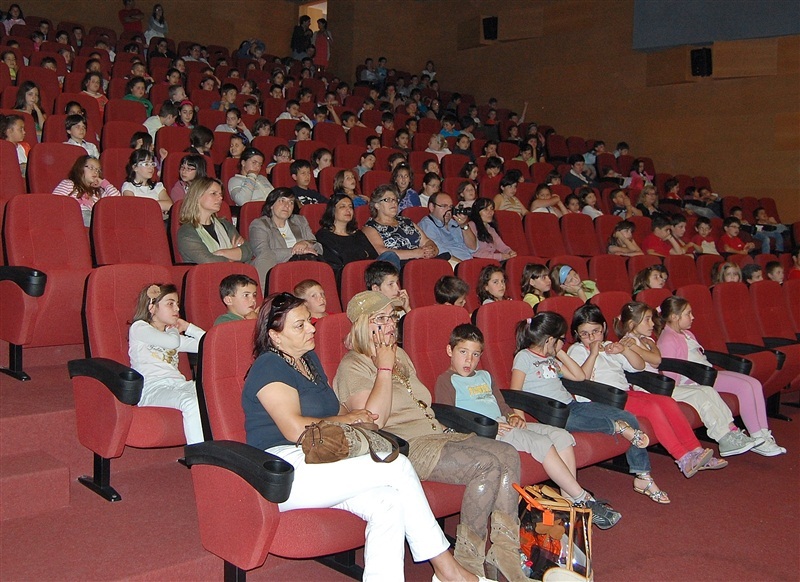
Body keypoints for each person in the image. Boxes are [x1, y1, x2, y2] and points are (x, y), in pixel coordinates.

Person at [244, 293, 488, 582]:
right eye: (300, 326)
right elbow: (295, 429)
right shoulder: (269, 366)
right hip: (282, 468)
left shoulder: (308, 361)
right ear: (275, 336)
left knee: (389, 502)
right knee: (395, 466)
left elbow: (335, 409)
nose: (312, 328)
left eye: (309, 321)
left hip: (322, 456)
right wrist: (344, 419)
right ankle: (448, 571)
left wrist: (353, 412)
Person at [333, 291, 526, 581]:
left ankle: (504, 552)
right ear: (362, 325)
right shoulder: (353, 366)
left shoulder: (400, 355)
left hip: (436, 433)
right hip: (405, 447)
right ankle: (466, 563)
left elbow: (423, 402)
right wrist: (383, 367)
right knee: (486, 465)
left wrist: (391, 359)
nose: (390, 325)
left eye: (392, 318)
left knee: (508, 454)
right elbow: (373, 420)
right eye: (381, 319)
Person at [436, 324, 622, 521]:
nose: (469, 360)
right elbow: (450, 417)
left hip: (503, 424)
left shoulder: (485, 376)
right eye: (463, 352)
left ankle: (569, 503)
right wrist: (491, 427)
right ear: (450, 350)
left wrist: (512, 416)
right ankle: (583, 499)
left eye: (475, 354)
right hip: (486, 432)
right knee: (541, 443)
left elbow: (501, 404)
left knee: (561, 436)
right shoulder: (446, 380)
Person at [509, 312, 677, 503]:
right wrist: (519, 417)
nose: (564, 343)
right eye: (561, 340)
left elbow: (579, 376)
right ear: (550, 339)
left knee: (627, 416)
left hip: (572, 405)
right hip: (553, 413)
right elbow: (516, 392)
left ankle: (643, 476)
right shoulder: (523, 357)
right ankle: (617, 427)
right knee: (577, 420)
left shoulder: (552, 359)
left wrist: (559, 352)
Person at [568, 305, 724, 485]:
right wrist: (593, 354)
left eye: (595, 331)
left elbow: (638, 366)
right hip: (604, 399)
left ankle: (695, 450)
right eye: (584, 334)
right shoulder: (577, 351)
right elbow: (581, 378)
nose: (591, 338)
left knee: (667, 402)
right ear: (577, 334)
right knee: (652, 408)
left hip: (624, 393)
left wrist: (624, 350)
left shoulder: (609, 347)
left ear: (603, 328)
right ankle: (683, 458)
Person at [619, 301, 775, 458]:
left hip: (661, 385)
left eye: (651, 319)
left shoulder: (647, 340)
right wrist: (638, 348)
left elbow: (655, 360)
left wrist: (646, 346)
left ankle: (731, 430)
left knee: (708, 390)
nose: (652, 323)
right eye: (647, 319)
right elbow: (649, 363)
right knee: (699, 395)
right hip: (652, 388)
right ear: (633, 324)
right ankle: (723, 437)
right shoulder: (627, 342)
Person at [657, 296, 785, 456]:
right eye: (688, 314)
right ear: (675, 317)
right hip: (698, 380)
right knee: (745, 388)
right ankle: (757, 436)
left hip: (708, 373)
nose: (693, 317)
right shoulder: (668, 340)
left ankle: (764, 435)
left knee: (754, 383)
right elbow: (672, 371)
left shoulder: (686, 333)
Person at [129, 282, 203, 444]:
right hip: (152, 389)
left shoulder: (173, 337)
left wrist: (189, 327)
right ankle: (200, 456)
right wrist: (174, 329)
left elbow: (209, 344)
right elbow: (170, 343)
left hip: (179, 385)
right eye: (170, 304)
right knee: (190, 402)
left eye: (177, 304)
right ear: (152, 307)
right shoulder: (139, 328)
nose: (177, 309)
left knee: (213, 392)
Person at [249, 188, 322, 283]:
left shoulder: (300, 221)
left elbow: (318, 247)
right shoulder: (260, 224)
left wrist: (305, 242)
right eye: (282, 201)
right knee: (264, 259)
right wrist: (296, 251)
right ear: (271, 205)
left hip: (303, 265)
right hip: (275, 268)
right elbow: (263, 253)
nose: (287, 205)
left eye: (291, 202)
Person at [177, 177, 253, 265]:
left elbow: (248, 251)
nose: (220, 197)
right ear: (197, 196)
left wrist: (222, 253)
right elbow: (209, 261)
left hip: (234, 275)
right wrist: (234, 254)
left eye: (220, 194)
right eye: (214, 193)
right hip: (208, 277)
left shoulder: (225, 225)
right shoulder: (187, 231)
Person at [362, 185, 439, 263]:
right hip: (396, 267)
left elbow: (426, 241)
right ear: (377, 205)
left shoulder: (406, 221)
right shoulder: (370, 227)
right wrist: (415, 253)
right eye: (388, 200)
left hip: (421, 262)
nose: (394, 203)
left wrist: (432, 250)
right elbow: (382, 252)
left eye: (395, 200)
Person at [316, 193, 385, 275]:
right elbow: (336, 263)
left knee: (387, 258)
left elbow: (373, 257)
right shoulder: (324, 235)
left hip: (368, 273)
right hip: (345, 276)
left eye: (350, 207)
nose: (348, 210)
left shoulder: (358, 234)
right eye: (342, 206)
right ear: (332, 210)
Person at [52, 155, 121, 226]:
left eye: (98, 170)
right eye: (91, 168)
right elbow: (54, 203)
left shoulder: (98, 192)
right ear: (80, 168)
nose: (95, 172)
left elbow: (117, 201)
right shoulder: (69, 184)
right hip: (72, 221)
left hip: (93, 223)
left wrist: (105, 184)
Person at [418, 192, 477, 263]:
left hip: (469, 261)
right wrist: (463, 267)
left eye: (450, 207)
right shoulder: (427, 225)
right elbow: (443, 254)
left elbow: (473, 247)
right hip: (452, 264)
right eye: (444, 206)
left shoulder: (454, 222)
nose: (448, 210)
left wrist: (464, 226)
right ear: (432, 207)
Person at [122, 149, 172, 216]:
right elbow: (133, 206)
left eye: (152, 164)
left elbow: (169, 205)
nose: (151, 167)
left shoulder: (158, 186)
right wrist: (157, 207)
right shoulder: (128, 186)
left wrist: (144, 206)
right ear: (135, 167)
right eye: (146, 164)